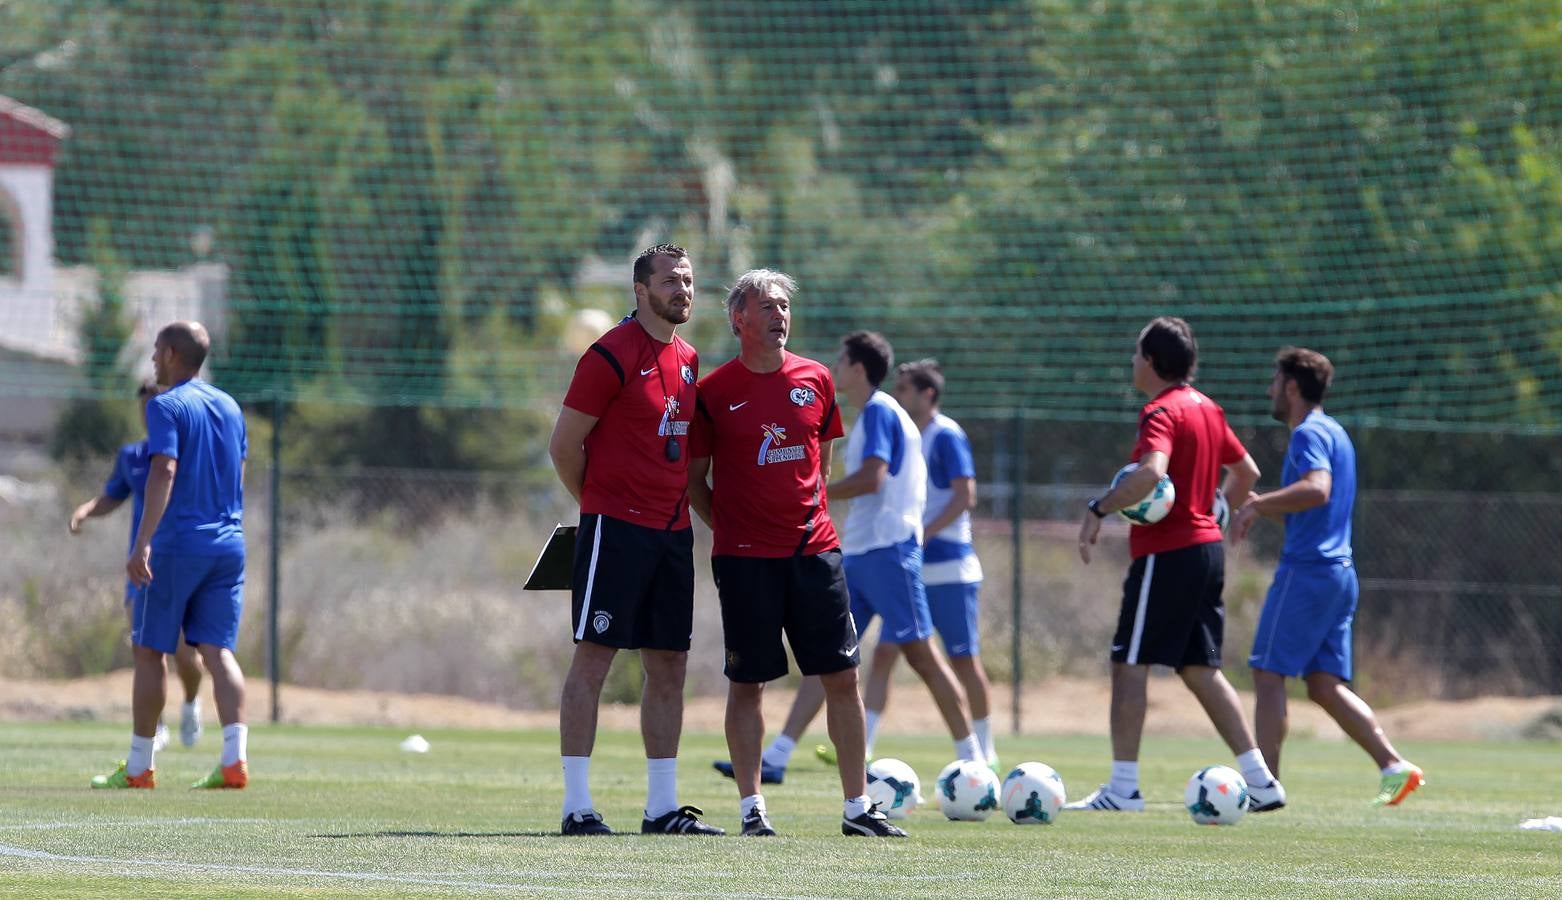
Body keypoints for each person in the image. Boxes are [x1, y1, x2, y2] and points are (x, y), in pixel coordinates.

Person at [688, 270, 904, 838]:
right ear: (740, 319)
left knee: (842, 677)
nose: (780, 314)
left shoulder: (817, 379)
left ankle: (858, 808)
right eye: (767, 305)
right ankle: (752, 808)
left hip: (815, 554)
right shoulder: (713, 392)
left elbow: (822, 466)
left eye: (784, 305)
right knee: (749, 683)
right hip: (744, 561)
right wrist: (733, 529)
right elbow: (695, 481)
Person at [717, 331, 982, 785]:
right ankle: (777, 757)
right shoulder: (867, 415)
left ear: (857, 368)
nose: (834, 369)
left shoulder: (879, 410)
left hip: (888, 551)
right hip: (859, 554)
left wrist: (816, 492)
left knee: (921, 654)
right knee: (830, 660)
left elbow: (873, 478)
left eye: (840, 361)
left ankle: (973, 762)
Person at [1067, 316, 1283, 813]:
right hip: (1207, 552)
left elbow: (1151, 473)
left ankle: (1123, 789)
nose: (1132, 362)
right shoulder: (1208, 408)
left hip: (1168, 554)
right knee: (1198, 668)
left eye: (1136, 354)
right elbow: (1246, 470)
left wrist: (1100, 508)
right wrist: (1217, 512)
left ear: (1150, 361)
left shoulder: (1160, 411)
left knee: (1129, 662)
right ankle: (1263, 781)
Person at [547, 243, 721, 837]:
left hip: (672, 534)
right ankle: (577, 806)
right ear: (640, 290)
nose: (683, 290)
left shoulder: (690, 358)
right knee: (594, 658)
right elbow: (564, 448)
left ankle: (662, 808)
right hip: (615, 530)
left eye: (689, 281)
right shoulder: (608, 356)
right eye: (670, 280)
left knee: (669, 664)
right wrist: (598, 507)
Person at [1231, 347, 1425, 806]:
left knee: (1267, 672)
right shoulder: (1337, 433)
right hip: (1340, 574)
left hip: (1308, 573)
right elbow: (1317, 508)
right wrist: (1267, 506)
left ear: (1293, 387)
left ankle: (1265, 787)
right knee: (1323, 686)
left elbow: (1318, 490)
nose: (1269, 390)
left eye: (1275, 381)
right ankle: (1394, 766)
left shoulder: (1307, 434)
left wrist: (1258, 503)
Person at [91, 322, 250, 790]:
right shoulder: (231, 406)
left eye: (158, 351)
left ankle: (139, 767)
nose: (153, 360)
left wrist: (142, 543)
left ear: (175, 354)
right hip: (229, 544)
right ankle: (233, 761)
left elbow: (164, 470)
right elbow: (238, 474)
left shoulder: (165, 405)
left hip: (179, 545)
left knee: (149, 650)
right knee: (218, 652)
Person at [843, 359, 997, 766]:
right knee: (885, 656)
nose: (899, 394)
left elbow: (966, 495)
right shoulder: (907, 432)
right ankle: (867, 745)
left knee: (962, 659)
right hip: (907, 564)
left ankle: (984, 750)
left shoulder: (946, 435)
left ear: (928, 394)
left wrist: (923, 534)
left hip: (948, 566)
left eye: (907, 388)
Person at [69, 380, 205, 751]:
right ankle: (156, 725)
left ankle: (192, 701)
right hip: (142, 566)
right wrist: (85, 511)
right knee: (145, 647)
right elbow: (113, 496)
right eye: (144, 407)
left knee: (183, 653)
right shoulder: (131, 455)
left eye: (155, 405)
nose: (149, 414)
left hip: (182, 561)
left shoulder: (185, 455)